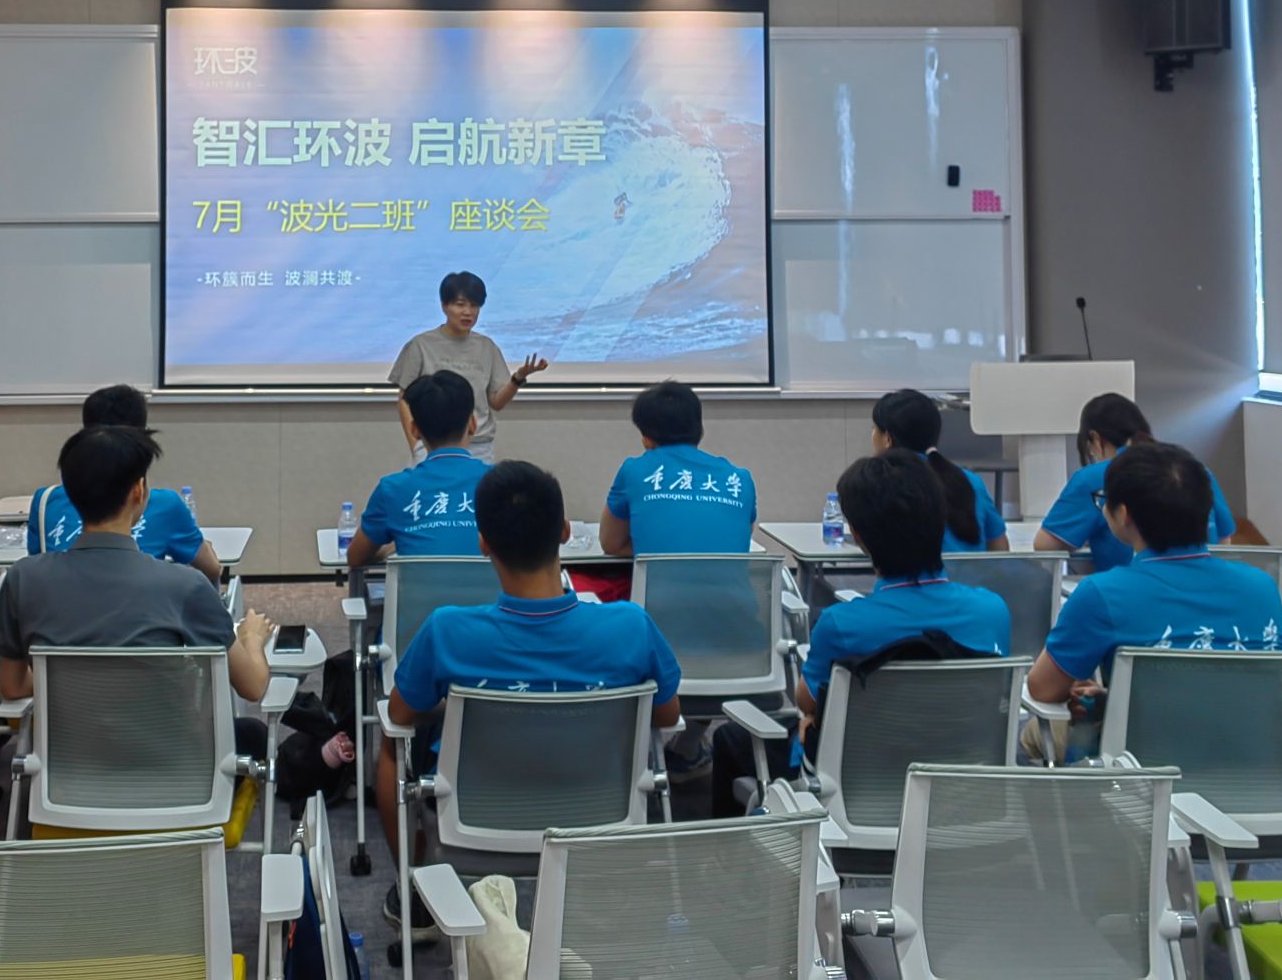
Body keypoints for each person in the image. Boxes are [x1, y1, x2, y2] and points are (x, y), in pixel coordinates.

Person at [379, 459, 680, 937]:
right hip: (600, 824)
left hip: (474, 829)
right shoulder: (631, 627)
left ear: (483, 542)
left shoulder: (447, 631)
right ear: (564, 531)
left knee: (389, 742)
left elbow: (400, 714)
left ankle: (414, 891)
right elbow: (667, 716)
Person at [707, 452, 1010, 818]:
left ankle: (732, 849)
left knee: (731, 739)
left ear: (861, 537)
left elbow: (807, 700)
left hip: (858, 797)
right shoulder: (992, 611)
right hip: (960, 797)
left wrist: (811, 715)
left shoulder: (843, 624)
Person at [0, 424, 274, 761]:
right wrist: (252, 639)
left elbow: (12, 687)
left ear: (69, 493)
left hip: (70, 775)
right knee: (253, 736)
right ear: (139, 492)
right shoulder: (185, 586)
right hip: (173, 776)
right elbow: (253, 686)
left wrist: (75, 680)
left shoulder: (23, 579)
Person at [1028, 442, 1282, 717]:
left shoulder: (1102, 594)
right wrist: (1112, 698)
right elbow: (1245, 687)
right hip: (1255, 742)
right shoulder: (1263, 587)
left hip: (1146, 744)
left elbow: (1043, 688)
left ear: (1124, 515)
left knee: (1035, 732)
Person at [24, 384, 221, 583]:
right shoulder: (165, 504)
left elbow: (40, 569)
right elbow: (212, 569)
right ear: (138, 492)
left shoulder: (46, 501)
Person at [1035, 394, 1235, 571]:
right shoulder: (1193, 470)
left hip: (1131, 590)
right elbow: (1224, 542)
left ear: (1095, 438)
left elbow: (1045, 545)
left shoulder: (1094, 478)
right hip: (1206, 586)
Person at [388, 271, 546, 457]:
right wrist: (416, 447)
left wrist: (518, 378)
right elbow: (404, 400)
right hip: (431, 445)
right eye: (460, 304)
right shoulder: (420, 345)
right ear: (444, 306)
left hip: (479, 445)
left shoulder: (487, 347)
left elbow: (496, 402)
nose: (468, 312)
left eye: (474, 305)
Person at [345, 371, 490, 567]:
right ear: (472, 424)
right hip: (491, 589)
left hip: (418, 589)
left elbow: (355, 558)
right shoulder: (505, 486)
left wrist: (393, 549)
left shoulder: (392, 490)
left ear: (414, 430)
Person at [600, 380, 757, 557]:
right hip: (731, 577)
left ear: (646, 438)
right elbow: (736, 544)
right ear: (700, 430)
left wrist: (651, 549)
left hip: (657, 577)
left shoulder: (633, 471)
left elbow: (611, 545)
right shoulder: (741, 479)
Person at [870, 388, 1008, 553]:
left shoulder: (879, 483)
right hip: (969, 571)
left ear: (887, 439)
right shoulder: (970, 481)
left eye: (874, 428)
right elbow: (999, 548)